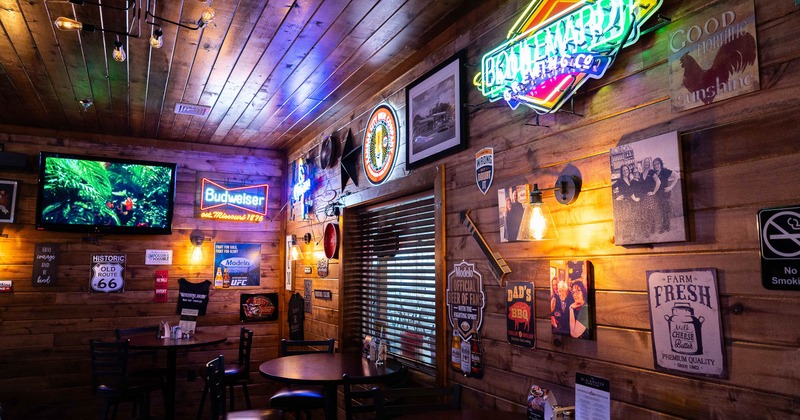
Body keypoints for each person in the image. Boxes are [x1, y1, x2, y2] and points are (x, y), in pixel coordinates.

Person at [652, 157, 679, 234]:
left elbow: (677, 176)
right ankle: (667, 226)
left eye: (657, 164)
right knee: (663, 210)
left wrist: (671, 187)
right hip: (658, 194)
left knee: (665, 210)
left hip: (664, 193)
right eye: (654, 165)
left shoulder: (664, 171)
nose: (656, 166)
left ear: (660, 164)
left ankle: (664, 227)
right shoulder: (655, 173)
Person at [640, 157, 661, 237]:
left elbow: (658, 182)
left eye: (648, 162)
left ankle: (651, 229)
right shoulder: (641, 174)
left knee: (650, 213)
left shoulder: (652, 172)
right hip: (643, 197)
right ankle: (648, 230)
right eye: (645, 162)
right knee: (645, 214)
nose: (647, 163)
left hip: (650, 197)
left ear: (650, 163)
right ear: (643, 163)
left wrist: (654, 192)